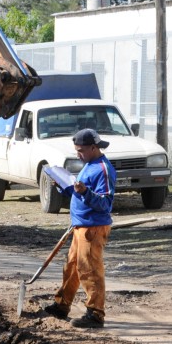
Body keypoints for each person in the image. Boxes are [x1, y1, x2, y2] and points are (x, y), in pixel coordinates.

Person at [44, 128, 116, 329]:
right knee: (72, 266)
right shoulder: (90, 164)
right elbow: (80, 192)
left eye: (81, 150)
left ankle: (95, 313)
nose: (78, 154)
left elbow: (105, 203)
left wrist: (85, 192)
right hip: (81, 225)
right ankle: (62, 305)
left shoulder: (102, 169)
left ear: (94, 147)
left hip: (93, 228)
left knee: (89, 269)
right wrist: (64, 186)